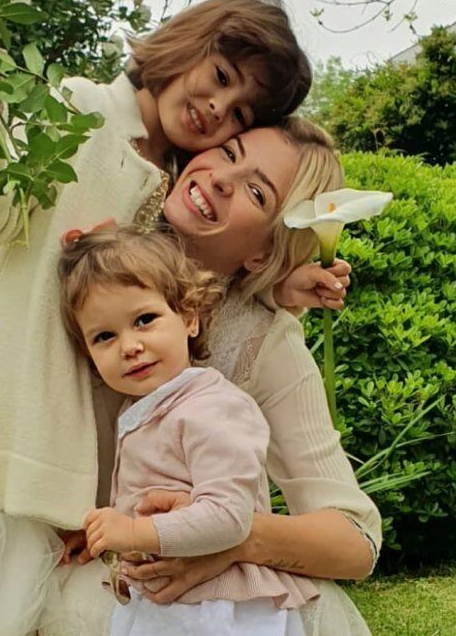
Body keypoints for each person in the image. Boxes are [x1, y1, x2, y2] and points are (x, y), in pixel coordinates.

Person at [0, 0, 365, 635]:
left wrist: (221, 536)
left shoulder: (259, 335)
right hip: (41, 547)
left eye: (256, 189)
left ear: (272, 241)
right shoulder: (119, 213)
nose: (219, 173)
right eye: (229, 152)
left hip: (130, 589)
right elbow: (38, 345)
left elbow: (354, 538)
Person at [59, 226, 317, 636]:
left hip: (222, 609)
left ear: (189, 318)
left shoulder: (214, 407)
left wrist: (132, 531)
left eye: (144, 320)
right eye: (104, 336)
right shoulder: (145, 410)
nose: (129, 345)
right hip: (175, 604)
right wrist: (105, 536)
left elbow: (230, 516)